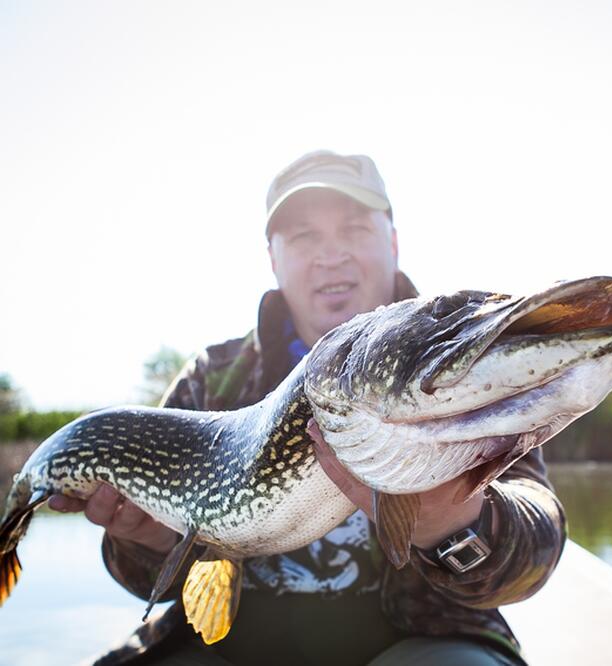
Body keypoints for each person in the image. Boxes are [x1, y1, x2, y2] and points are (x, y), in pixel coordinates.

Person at [48, 151, 567, 665]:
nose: (331, 255)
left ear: (392, 242)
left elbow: (535, 555)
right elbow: (148, 585)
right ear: (273, 258)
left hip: (424, 640)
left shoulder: (455, 364)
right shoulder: (212, 378)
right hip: (230, 648)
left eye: (355, 229)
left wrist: (452, 524)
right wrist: (150, 540)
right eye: (304, 236)